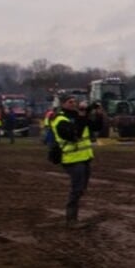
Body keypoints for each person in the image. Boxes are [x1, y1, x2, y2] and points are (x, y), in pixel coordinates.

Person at [50, 95, 95, 227]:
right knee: (76, 188)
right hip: (71, 159)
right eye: (70, 102)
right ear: (63, 104)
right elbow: (74, 135)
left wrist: (95, 113)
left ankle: (72, 217)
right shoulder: (59, 119)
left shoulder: (76, 116)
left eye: (75, 101)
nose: (73, 104)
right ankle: (71, 219)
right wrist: (81, 116)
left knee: (81, 188)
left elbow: (95, 127)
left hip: (84, 157)